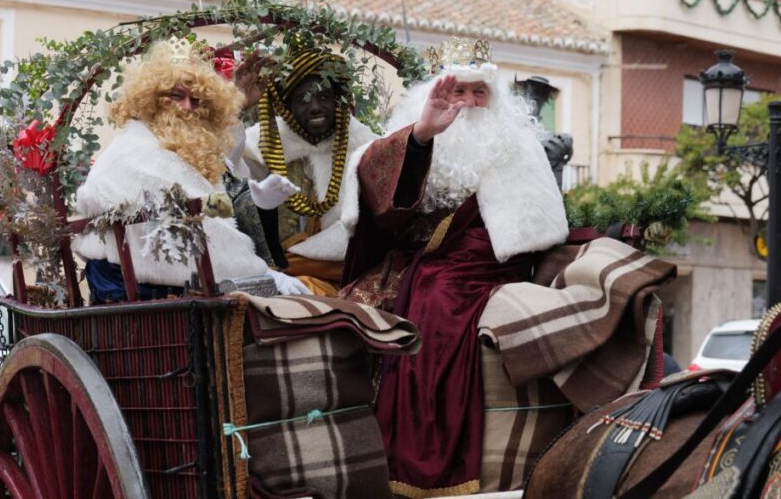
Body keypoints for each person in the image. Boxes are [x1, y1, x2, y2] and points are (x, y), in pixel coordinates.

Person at [339, 38, 570, 497]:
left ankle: (422, 465)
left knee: (437, 301)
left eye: (477, 92)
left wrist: (446, 261)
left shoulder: (515, 145)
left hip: (473, 266)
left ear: (494, 98)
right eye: (456, 92)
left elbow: (523, 232)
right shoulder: (413, 132)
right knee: (344, 314)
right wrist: (423, 134)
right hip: (405, 262)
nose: (466, 103)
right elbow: (380, 205)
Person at [72, 39, 307, 301]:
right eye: (176, 96)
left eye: (196, 99)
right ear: (151, 99)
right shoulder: (136, 152)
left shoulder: (175, 147)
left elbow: (208, 200)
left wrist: (260, 202)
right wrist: (260, 274)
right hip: (135, 287)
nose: (187, 107)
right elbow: (208, 233)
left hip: (166, 280)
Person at [242, 49, 378, 294]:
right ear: (287, 107)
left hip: (345, 276)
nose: (315, 107)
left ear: (338, 102)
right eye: (303, 99)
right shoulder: (261, 143)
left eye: (324, 96)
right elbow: (224, 165)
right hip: (274, 274)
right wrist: (239, 103)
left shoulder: (365, 146)